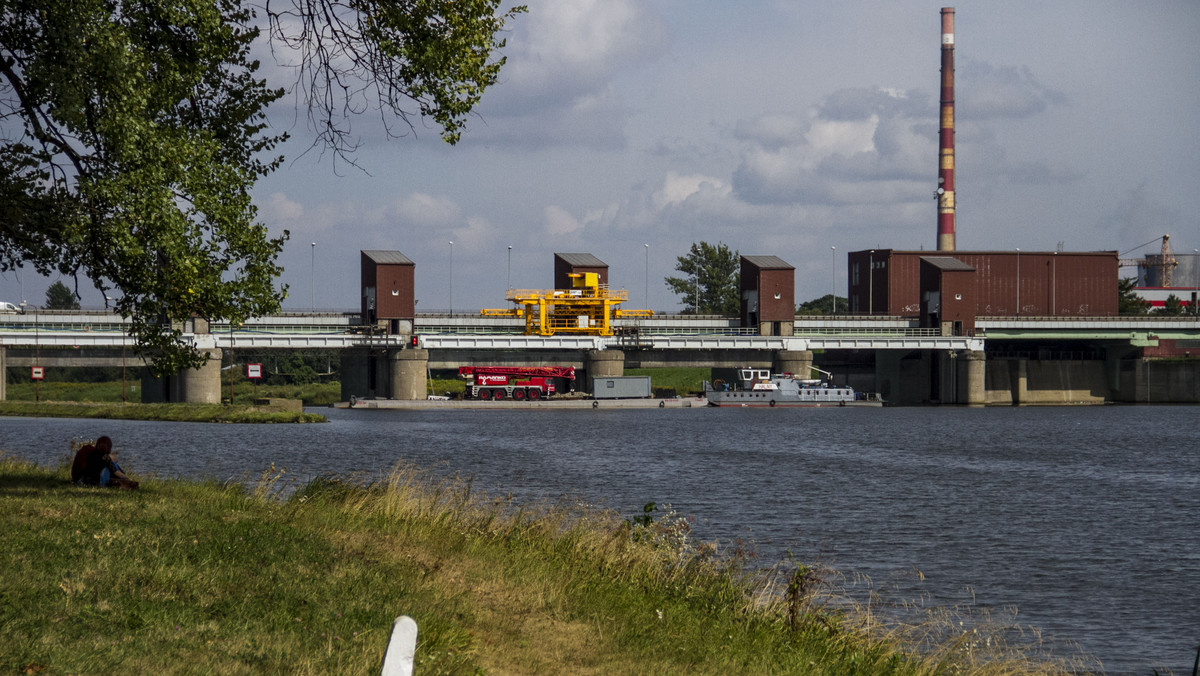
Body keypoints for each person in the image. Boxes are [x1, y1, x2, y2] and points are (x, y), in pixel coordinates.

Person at [71, 436, 138, 489]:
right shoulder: (105, 458)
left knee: (110, 466)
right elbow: (115, 471)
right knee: (107, 468)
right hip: (92, 482)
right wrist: (126, 477)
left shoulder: (91, 454)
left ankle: (118, 482)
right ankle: (124, 482)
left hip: (80, 480)